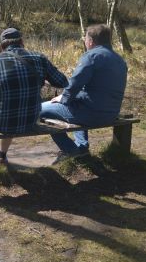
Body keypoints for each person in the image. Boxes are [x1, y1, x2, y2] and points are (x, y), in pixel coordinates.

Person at [0, 28, 68, 166]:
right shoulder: (39, 58)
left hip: (1, 121)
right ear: (22, 42)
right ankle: (2, 156)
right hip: (30, 120)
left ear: (2, 45)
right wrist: (42, 80)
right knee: (14, 110)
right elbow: (62, 82)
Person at [40, 24, 127, 162]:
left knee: (40, 109)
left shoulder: (91, 56)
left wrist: (63, 98)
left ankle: (71, 150)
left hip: (91, 114)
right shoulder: (120, 60)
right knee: (76, 104)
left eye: (85, 39)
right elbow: (97, 88)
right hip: (111, 113)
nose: (85, 42)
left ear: (91, 41)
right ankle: (82, 147)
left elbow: (74, 85)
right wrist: (71, 96)